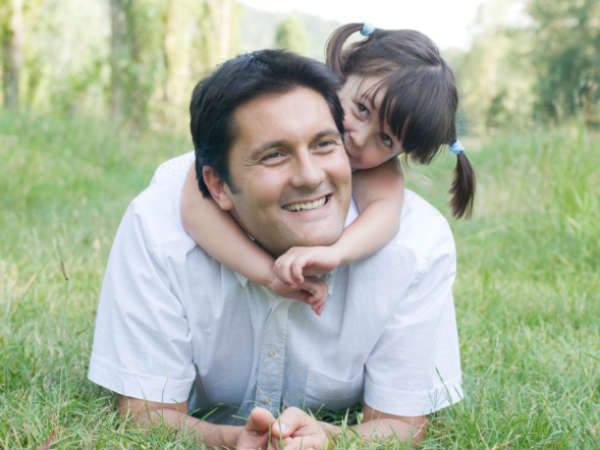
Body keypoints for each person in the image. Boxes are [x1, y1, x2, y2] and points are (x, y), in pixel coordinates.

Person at [88, 49, 463, 449]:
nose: (309, 176)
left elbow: (402, 425)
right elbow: (145, 416)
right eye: (275, 155)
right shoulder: (161, 226)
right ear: (218, 185)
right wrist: (230, 440)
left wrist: (331, 440)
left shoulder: (413, 245)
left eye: (325, 144)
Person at [180, 23, 475, 315]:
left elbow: (385, 217)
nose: (359, 137)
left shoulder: (380, 172)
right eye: (362, 109)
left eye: (385, 139)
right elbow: (196, 207)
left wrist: (336, 252)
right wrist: (267, 273)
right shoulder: (299, 100)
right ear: (342, 74)